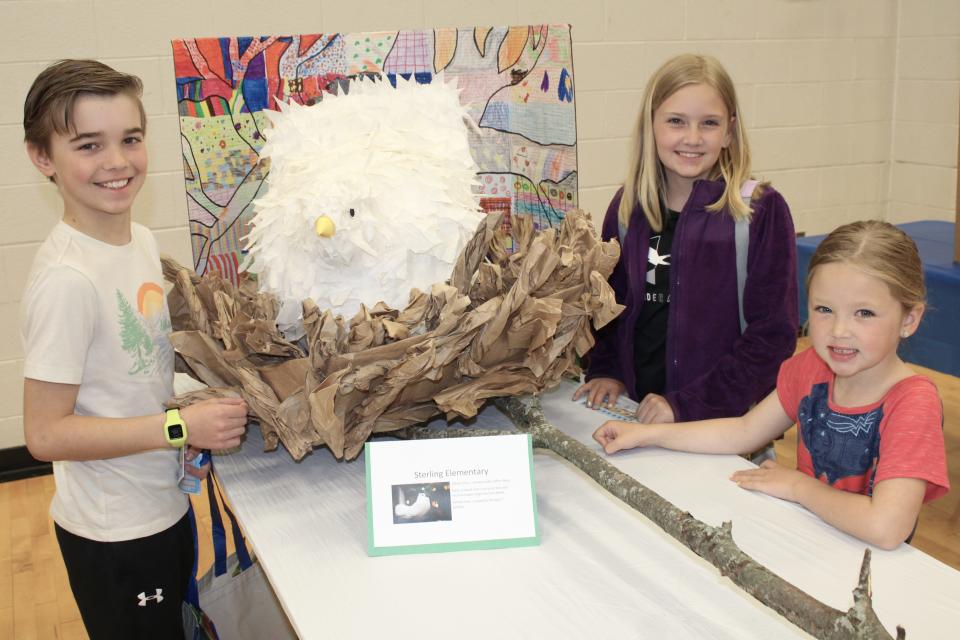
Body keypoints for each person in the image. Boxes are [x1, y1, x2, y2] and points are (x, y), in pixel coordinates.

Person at [20, 60, 248, 639]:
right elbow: (45, 436)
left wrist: (188, 419)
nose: (117, 162)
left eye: (131, 139)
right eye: (89, 145)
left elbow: (135, 370)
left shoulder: (140, 240)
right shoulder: (67, 280)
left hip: (162, 505)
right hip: (113, 535)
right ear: (42, 157)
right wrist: (179, 427)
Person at [593, 220, 950, 549]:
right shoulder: (812, 367)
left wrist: (798, 486)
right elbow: (744, 430)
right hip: (809, 539)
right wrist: (646, 435)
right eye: (825, 309)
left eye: (865, 313)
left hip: (869, 568)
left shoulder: (912, 403)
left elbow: (887, 528)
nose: (840, 331)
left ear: (909, 319)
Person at [573, 54, 798, 427]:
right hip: (634, 414)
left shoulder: (759, 212)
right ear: (651, 126)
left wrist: (687, 405)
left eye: (709, 123)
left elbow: (771, 338)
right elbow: (609, 309)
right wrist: (607, 369)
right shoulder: (629, 206)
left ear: (729, 131)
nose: (692, 139)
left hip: (720, 426)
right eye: (676, 121)